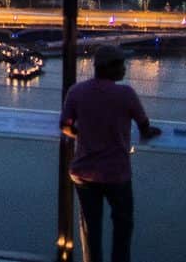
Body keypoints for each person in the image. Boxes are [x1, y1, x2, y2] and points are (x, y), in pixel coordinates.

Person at [60, 44, 162, 262]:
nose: (124, 70)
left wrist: (83, 135)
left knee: (90, 228)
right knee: (123, 227)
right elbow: (144, 125)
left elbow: (65, 126)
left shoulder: (76, 91)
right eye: (121, 65)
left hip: (83, 172)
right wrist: (149, 132)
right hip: (116, 174)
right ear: (109, 67)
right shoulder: (126, 94)